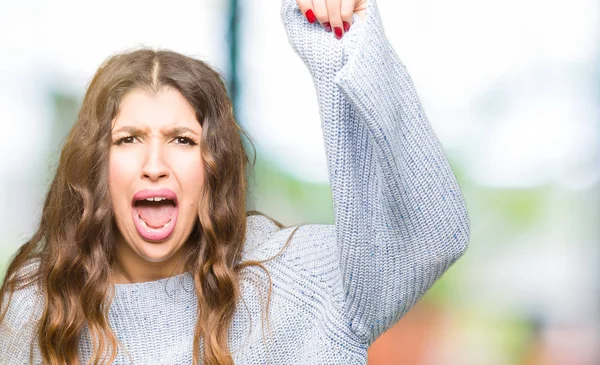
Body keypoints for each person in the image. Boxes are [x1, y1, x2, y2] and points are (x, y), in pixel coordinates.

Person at [0, 0, 471, 363]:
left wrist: (346, 51)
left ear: (213, 167)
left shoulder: (292, 283)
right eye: (128, 139)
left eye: (182, 140)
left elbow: (434, 234)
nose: (155, 163)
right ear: (95, 165)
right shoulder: (34, 309)